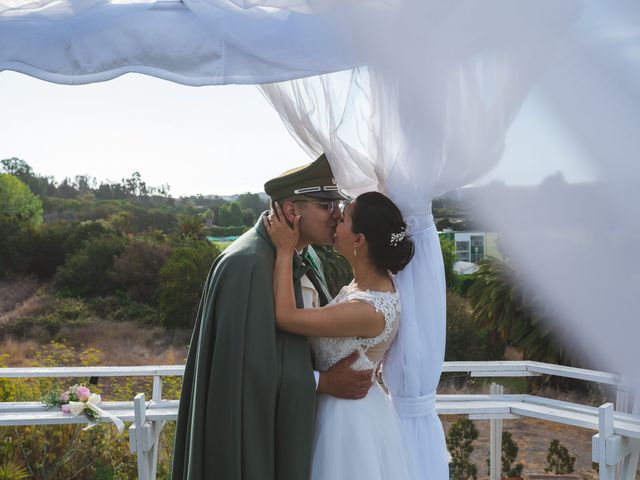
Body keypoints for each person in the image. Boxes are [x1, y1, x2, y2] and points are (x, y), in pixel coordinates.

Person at [171, 153, 374, 480]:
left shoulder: (307, 255)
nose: (337, 216)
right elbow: (244, 372)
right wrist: (324, 382)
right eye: (326, 206)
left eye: (338, 206)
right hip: (254, 438)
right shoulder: (246, 265)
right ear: (293, 210)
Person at [264, 191, 417, 480]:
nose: (336, 219)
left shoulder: (368, 309)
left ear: (359, 240)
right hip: (339, 407)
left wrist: (285, 251)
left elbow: (284, 316)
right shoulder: (359, 287)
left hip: (348, 423)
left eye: (344, 217)